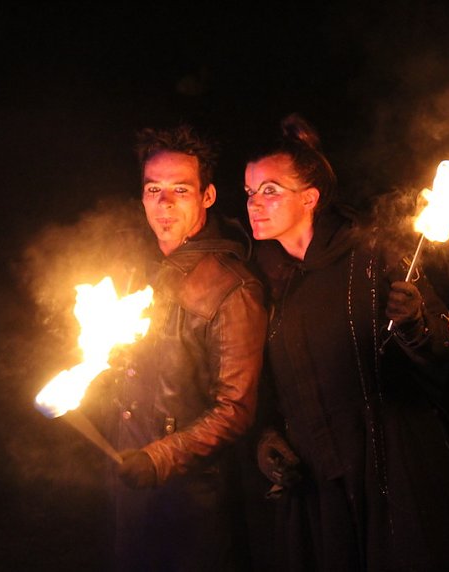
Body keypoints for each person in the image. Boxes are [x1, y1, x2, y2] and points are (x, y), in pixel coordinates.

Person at [245, 114, 449, 571]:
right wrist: (267, 434)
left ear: (310, 198)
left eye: (270, 190)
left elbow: (442, 344)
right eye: (249, 192)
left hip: (390, 466)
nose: (254, 203)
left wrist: (413, 324)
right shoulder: (262, 280)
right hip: (315, 478)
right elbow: (262, 378)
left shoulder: (372, 253)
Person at [93, 124, 268, 571]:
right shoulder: (145, 272)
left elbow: (236, 409)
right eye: (154, 190)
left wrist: (160, 456)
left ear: (207, 196)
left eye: (180, 190)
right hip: (131, 482)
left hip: (192, 498)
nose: (164, 204)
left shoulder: (233, 288)